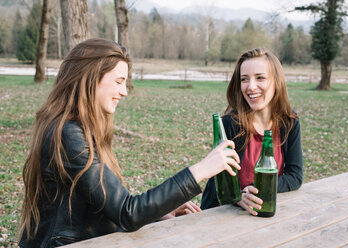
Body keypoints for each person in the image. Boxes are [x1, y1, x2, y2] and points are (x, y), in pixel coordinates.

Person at [19, 38, 240, 248]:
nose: (124, 91)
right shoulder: (68, 134)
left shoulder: (75, 127)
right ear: (90, 78)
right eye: (118, 81)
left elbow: (107, 202)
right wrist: (202, 169)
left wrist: (159, 212)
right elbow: (128, 212)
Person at [201, 47, 303, 215]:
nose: (251, 87)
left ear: (276, 81)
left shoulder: (289, 123)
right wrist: (238, 197)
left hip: (264, 214)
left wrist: (258, 190)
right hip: (223, 217)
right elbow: (217, 186)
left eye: (260, 78)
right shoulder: (229, 124)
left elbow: (295, 176)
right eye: (244, 79)